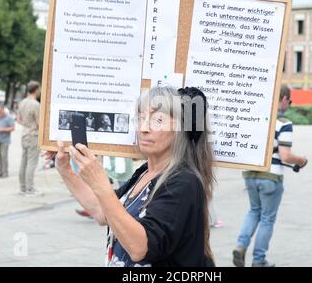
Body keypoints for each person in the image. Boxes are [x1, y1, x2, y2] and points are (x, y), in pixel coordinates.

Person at [50, 86, 215, 266]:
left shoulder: (183, 181)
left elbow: (139, 248)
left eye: (158, 120)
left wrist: (100, 184)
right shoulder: (145, 172)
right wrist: (65, 169)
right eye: (141, 118)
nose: (143, 128)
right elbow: (102, 212)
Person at [232, 84, 307, 267]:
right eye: (288, 101)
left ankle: (241, 245)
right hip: (271, 177)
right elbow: (285, 155)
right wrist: (301, 161)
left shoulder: (253, 118)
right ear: (282, 99)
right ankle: (258, 261)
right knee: (267, 218)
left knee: (253, 211)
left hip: (250, 174)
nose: (288, 105)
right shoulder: (284, 123)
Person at [17, 81, 42, 196]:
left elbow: (18, 119)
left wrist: (26, 125)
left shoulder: (22, 102)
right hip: (33, 135)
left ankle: (22, 187)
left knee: (24, 161)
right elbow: (38, 123)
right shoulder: (36, 104)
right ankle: (30, 188)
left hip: (24, 134)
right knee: (32, 163)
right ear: (36, 89)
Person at [0, 103, 15, 178]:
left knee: (4, 156)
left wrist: (2, 129)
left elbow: (13, 128)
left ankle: (5, 173)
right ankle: (0, 172)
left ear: (3, 110)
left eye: (0, 111)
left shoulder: (9, 118)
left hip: (5, 140)